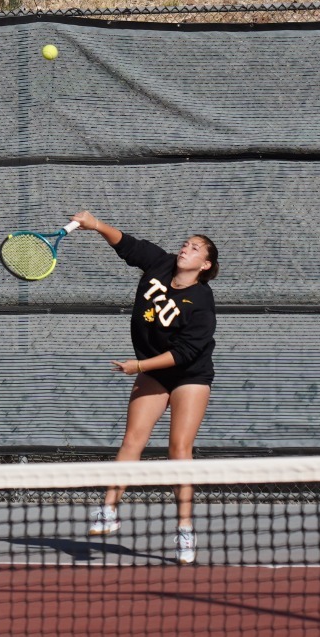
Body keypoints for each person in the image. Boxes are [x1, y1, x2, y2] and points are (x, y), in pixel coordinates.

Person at [68, 210, 217, 565]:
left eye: (194, 248)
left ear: (205, 264)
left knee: (179, 450)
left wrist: (138, 366)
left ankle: (184, 529)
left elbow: (184, 352)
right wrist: (96, 225)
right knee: (133, 440)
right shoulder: (160, 265)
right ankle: (108, 511)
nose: (186, 249)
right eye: (185, 244)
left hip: (189, 375)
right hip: (151, 370)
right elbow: (129, 247)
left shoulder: (202, 302)